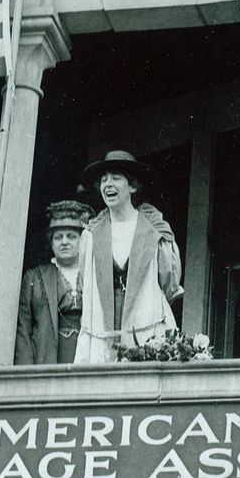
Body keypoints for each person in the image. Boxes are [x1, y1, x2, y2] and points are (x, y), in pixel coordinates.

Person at [74, 150, 183, 363]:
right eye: (103, 180)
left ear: (132, 186)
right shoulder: (90, 234)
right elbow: (84, 285)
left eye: (116, 178)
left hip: (144, 319)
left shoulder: (155, 230)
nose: (108, 184)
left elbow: (169, 282)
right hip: (101, 326)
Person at [14, 199, 95, 365]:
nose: (64, 242)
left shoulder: (94, 275)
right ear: (51, 243)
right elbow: (23, 329)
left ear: (83, 241)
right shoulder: (34, 277)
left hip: (89, 359)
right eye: (58, 237)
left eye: (71, 236)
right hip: (47, 361)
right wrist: (26, 374)